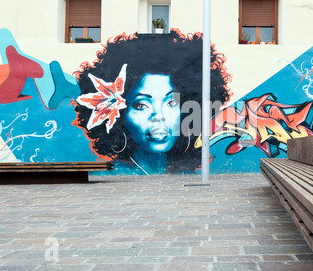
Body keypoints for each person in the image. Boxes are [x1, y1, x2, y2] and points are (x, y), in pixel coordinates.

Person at [72, 29, 231, 174]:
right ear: (121, 117)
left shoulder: (189, 176)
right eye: (141, 105)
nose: (159, 116)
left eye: (171, 103)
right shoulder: (111, 176)